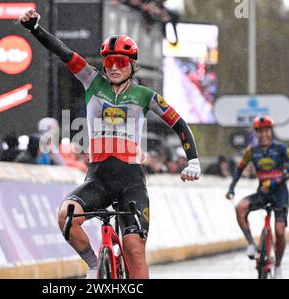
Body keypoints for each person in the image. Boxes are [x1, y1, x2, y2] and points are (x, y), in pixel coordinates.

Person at [18, 9, 201, 279]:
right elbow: (64, 52)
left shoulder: (145, 95)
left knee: (134, 250)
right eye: (110, 61)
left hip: (131, 182)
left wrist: (193, 160)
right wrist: (35, 29)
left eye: (121, 62)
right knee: (65, 217)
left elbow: (179, 123)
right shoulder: (92, 80)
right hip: (98, 179)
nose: (114, 67)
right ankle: (94, 265)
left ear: (132, 65)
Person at [226, 116, 289, 279]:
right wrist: (231, 188)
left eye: (266, 130)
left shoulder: (282, 148)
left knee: (279, 232)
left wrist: (274, 182)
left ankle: (278, 266)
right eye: (260, 131)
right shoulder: (252, 151)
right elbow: (239, 169)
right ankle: (251, 243)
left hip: (280, 194)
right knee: (240, 207)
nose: (263, 134)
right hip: (262, 192)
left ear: (271, 131)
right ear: (256, 133)